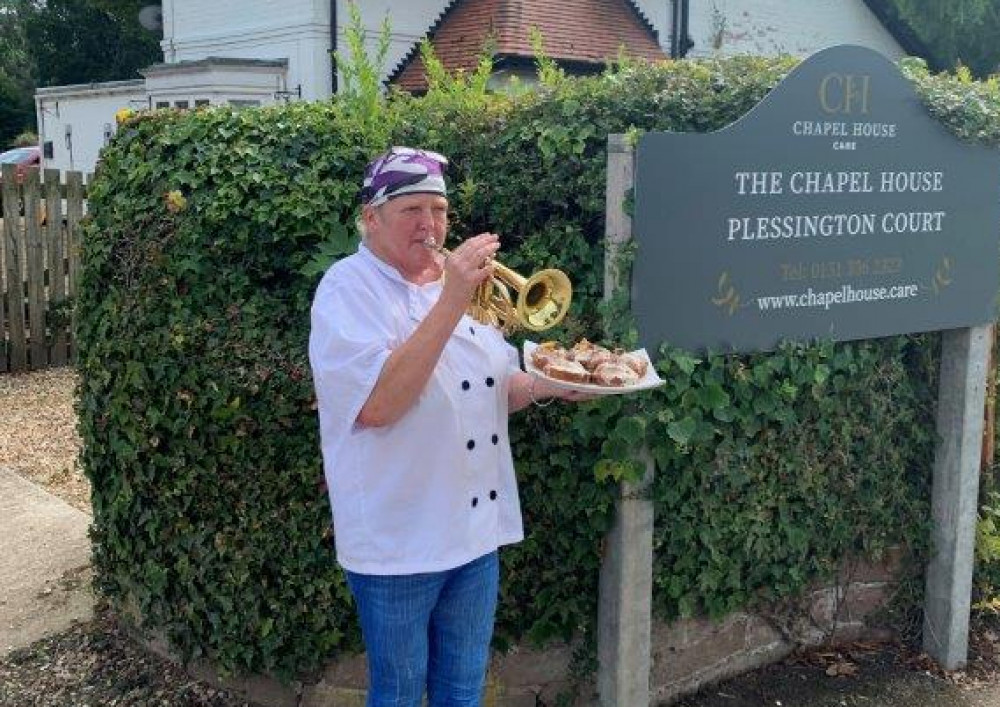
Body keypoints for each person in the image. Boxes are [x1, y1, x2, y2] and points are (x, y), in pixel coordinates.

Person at [308, 146, 590, 707]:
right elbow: (378, 405)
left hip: (474, 533)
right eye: (412, 209)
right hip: (399, 539)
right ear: (372, 217)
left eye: (438, 210)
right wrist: (452, 297)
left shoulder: (463, 286)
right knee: (399, 693)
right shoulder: (347, 289)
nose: (430, 225)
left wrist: (548, 386)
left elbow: (490, 389)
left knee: (463, 690)